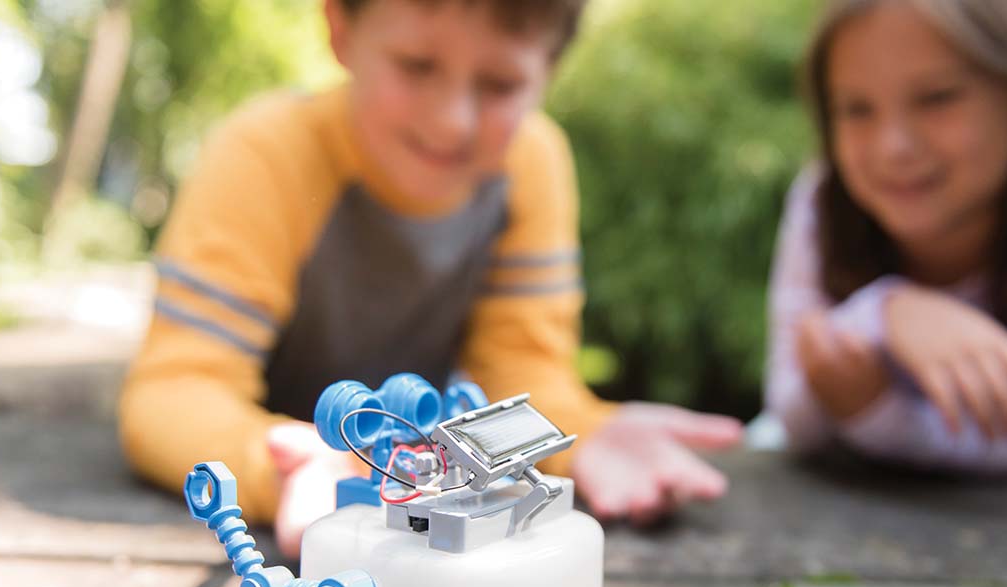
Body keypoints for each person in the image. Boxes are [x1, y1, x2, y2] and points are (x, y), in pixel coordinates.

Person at [119, 0, 743, 556]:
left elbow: (522, 370)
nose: (451, 121)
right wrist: (277, 465)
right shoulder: (264, 154)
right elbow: (176, 389)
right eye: (417, 65)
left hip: (404, 473)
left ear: (548, 73)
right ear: (340, 28)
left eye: (500, 84)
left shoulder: (532, 162)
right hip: (306, 458)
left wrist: (584, 436)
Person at [764, 0, 1007, 471]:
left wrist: (879, 411)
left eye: (937, 98)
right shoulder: (821, 199)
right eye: (856, 109)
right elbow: (792, 413)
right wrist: (884, 313)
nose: (894, 147)